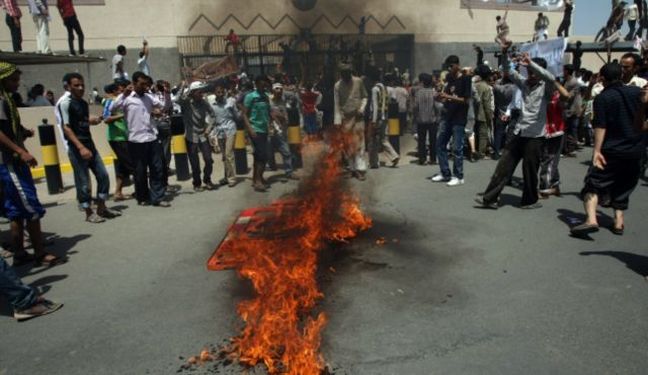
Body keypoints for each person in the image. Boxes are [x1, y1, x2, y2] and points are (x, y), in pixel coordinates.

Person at [475, 53, 565, 210]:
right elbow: (509, 70)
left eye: (533, 73)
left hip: (536, 136)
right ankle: (490, 198)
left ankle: (529, 200)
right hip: (519, 132)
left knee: (529, 170)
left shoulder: (546, 87)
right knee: (503, 167)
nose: (530, 76)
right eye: (528, 72)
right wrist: (505, 52)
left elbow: (551, 78)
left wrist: (531, 64)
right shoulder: (524, 84)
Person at [571, 62, 646, 237]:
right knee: (624, 185)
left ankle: (591, 220)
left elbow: (600, 126)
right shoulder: (637, 93)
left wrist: (596, 150)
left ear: (602, 79)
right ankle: (618, 222)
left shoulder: (603, 98)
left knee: (593, 183)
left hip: (611, 149)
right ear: (621, 75)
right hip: (635, 149)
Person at [0, 61, 63, 266]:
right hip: (9, 163)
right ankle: (39, 253)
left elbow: (9, 128)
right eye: (13, 80)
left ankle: (20, 253)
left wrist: (23, 133)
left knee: (16, 211)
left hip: (13, 161)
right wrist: (19, 150)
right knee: (31, 207)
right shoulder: (0, 100)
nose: (17, 84)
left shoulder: (7, 100)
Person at [59, 73, 120, 223]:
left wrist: (94, 120)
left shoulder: (83, 103)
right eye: (76, 85)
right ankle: (88, 212)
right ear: (68, 86)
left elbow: (83, 121)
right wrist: (80, 147)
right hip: (77, 148)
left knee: (103, 176)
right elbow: (66, 128)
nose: (80, 88)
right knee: (84, 182)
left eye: (82, 85)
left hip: (89, 145)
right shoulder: (65, 103)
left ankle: (101, 208)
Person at [113, 71, 171, 207]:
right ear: (134, 83)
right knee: (140, 171)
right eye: (142, 84)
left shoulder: (149, 98)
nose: (145, 87)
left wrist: (167, 94)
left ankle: (158, 197)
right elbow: (113, 108)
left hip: (151, 138)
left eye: (146, 84)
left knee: (157, 168)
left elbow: (164, 107)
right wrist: (123, 94)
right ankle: (143, 197)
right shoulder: (127, 99)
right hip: (136, 141)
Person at [432, 55, 471, 187]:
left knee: (457, 148)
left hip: (459, 118)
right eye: (447, 67)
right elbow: (447, 96)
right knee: (440, 144)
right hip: (447, 115)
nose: (449, 69)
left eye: (451, 66)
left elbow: (466, 100)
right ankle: (445, 173)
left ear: (457, 65)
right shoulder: (449, 79)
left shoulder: (466, 79)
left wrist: (448, 96)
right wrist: (440, 97)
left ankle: (458, 176)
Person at [175, 81, 217, 192]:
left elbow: (213, 115)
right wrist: (183, 87)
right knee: (195, 163)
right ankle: (197, 183)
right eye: (199, 91)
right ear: (193, 93)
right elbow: (176, 100)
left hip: (203, 134)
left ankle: (207, 180)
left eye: (202, 91)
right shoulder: (187, 103)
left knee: (208, 159)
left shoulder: (204, 103)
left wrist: (208, 129)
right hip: (191, 136)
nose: (202, 94)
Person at [334, 63, 369, 181]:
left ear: (350, 73)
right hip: (346, 118)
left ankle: (360, 170)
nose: (345, 76)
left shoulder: (358, 82)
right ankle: (352, 169)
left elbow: (365, 97)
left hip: (358, 117)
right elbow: (337, 104)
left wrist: (361, 109)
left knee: (359, 143)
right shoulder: (337, 86)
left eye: (347, 74)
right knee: (348, 144)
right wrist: (337, 121)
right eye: (343, 74)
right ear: (341, 75)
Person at [103, 83, 134, 201]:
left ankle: (118, 192)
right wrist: (123, 115)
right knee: (132, 165)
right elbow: (106, 119)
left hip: (125, 137)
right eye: (123, 89)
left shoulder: (125, 101)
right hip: (117, 138)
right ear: (116, 91)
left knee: (123, 166)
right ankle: (142, 190)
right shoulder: (112, 102)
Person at [242, 75, 272, 192]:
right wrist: (250, 129)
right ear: (257, 83)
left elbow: (268, 111)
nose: (264, 85)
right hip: (255, 129)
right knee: (262, 155)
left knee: (259, 156)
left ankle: (257, 179)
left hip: (264, 129)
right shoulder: (250, 97)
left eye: (265, 83)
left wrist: (273, 121)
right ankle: (258, 181)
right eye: (262, 83)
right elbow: (244, 114)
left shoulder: (265, 97)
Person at [539, 85, 567, 198]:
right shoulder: (544, 97)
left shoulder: (557, 98)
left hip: (554, 132)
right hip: (546, 132)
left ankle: (545, 188)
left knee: (548, 160)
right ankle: (554, 184)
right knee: (550, 159)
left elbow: (565, 100)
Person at [367, 70, 399, 169]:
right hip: (385, 116)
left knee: (373, 140)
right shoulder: (385, 88)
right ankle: (394, 156)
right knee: (383, 139)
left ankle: (374, 163)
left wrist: (373, 121)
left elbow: (375, 106)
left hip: (377, 118)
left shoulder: (375, 89)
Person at [209, 81, 238, 187]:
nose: (220, 94)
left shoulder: (230, 102)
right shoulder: (212, 105)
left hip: (230, 130)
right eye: (218, 92)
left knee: (229, 154)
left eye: (222, 92)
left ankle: (232, 179)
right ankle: (226, 176)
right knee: (224, 156)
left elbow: (237, 115)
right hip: (220, 132)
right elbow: (212, 119)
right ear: (214, 93)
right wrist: (210, 131)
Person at [268, 83, 298, 181]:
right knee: (271, 150)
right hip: (272, 129)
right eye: (277, 89)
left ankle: (288, 171)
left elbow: (293, 96)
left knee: (285, 151)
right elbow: (270, 113)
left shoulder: (283, 100)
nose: (279, 91)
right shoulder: (269, 100)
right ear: (273, 90)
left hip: (282, 129)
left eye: (280, 89)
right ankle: (273, 166)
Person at [412, 73, 441, 165]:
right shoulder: (434, 93)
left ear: (422, 82)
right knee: (433, 140)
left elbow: (415, 106)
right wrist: (438, 116)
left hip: (421, 119)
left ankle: (422, 159)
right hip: (432, 120)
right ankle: (433, 159)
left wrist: (415, 115)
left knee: (421, 140)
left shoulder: (418, 93)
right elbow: (437, 106)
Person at [474, 65, 494, 159]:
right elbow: (487, 104)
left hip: (473, 113)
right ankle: (481, 153)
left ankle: (473, 151)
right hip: (482, 114)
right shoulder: (486, 87)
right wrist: (489, 116)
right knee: (483, 134)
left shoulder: (475, 85)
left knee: (474, 133)